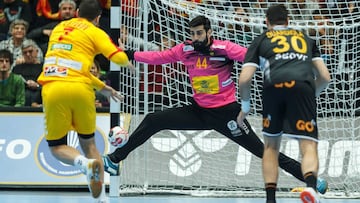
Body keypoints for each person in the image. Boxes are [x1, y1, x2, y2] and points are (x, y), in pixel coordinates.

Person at [102, 15, 328, 194]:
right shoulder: (185, 50)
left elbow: (253, 58)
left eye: (199, 33)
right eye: (193, 34)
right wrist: (129, 53)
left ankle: (312, 180)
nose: (196, 37)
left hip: (227, 115)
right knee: (153, 120)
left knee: (264, 151)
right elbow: (159, 57)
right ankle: (114, 160)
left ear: (209, 32)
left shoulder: (224, 49)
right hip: (198, 111)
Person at [36, 0, 132, 202]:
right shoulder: (96, 32)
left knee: (56, 147)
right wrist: (127, 60)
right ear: (98, 18)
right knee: (89, 145)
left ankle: (82, 164)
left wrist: (104, 88)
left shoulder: (59, 27)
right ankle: (102, 198)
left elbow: (69, 66)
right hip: (80, 90)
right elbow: (117, 58)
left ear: (77, 12)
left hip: (53, 88)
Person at [236, 5, 331, 203]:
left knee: (271, 147)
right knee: (308, 145)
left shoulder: (261, 39)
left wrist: (245, 107)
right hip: (303, 87)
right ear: (288, 21)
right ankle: (311, 189)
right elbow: (325, 77)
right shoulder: (306, 39)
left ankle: (271, 199)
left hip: (273, 89)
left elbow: (244, 79)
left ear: (267, 22)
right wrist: (310, 94)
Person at [12, 39, 43, 107]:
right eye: (25, 52)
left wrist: (37, 86)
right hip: (21, 95)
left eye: (30, 51)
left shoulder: (43, 68)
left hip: (39, 94)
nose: (28, 54)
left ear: (37, 52)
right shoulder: (17, 68)